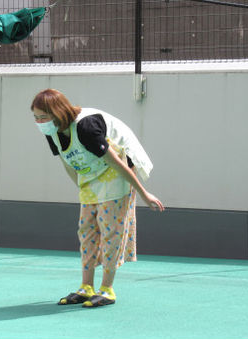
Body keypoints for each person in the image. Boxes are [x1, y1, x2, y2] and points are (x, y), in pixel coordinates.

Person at [31, 89, 164, 308]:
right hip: (91, 172)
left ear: (57, 112)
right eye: (35, 117)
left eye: (43, 116)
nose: (39, 122)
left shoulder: (86, 127)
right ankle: (86, 287)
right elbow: (67, 162)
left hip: (117, 168)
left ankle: (107, 289)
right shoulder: (52, 131)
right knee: (86, 230)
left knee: (110, 229)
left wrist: (143, 193)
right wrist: (83, 190)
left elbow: (117, 163)